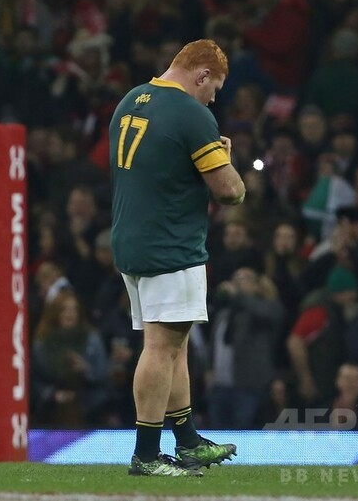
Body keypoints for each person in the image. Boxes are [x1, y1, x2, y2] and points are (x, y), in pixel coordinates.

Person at [110, 39, 244, 477]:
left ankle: (187, 442)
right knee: (160, 347)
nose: (213, 99)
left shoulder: (131, 100)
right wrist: (224, 159)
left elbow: (159, 166)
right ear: (201, 75)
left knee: (174, 343)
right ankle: (147, 454)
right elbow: (230, 192)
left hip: (132, 240)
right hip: (170, 245)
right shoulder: (190, 113)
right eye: (214, 88)